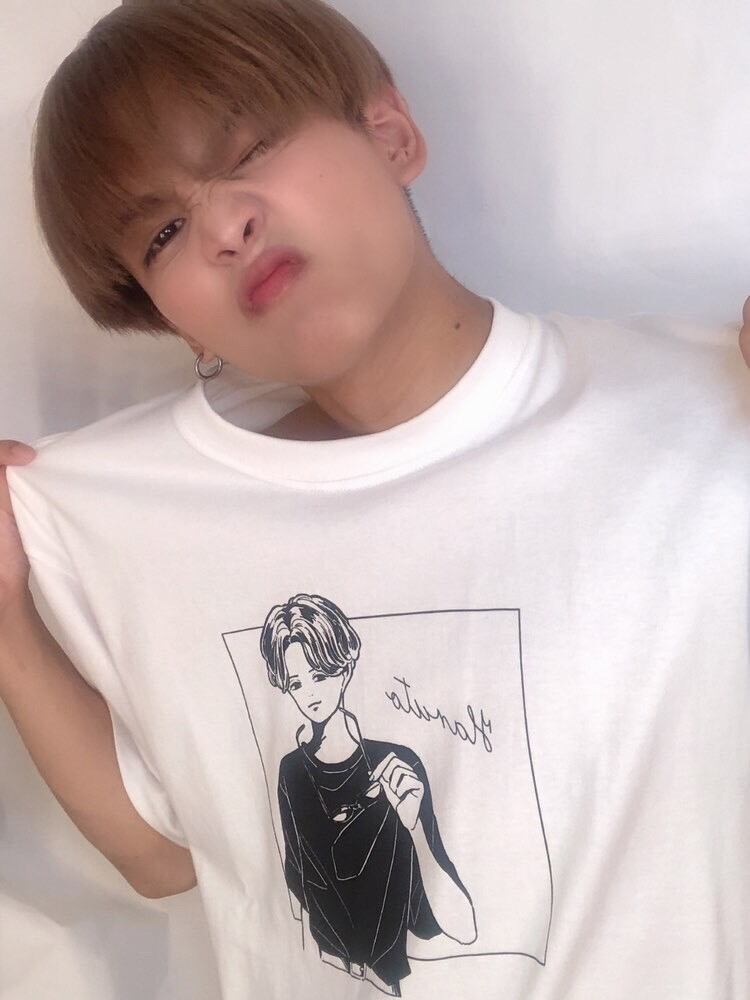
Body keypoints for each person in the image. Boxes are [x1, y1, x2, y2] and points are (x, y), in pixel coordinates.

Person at [0, 2, 748, 999]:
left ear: (390, 134)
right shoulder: (144, 526)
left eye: (250, 148)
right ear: (173, 320)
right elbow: (161, 854)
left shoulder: (707, 410)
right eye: (164, 232)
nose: (225, 226)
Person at [260, 593, 476, 995]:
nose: (308, 694)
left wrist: (411, 826)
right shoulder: (291, 772)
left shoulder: (398, 765)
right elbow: (295, 876)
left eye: (319, 675)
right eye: (296, 683)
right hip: (325, 974)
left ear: (344, 669)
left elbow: (463, 927)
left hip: (391, 979)